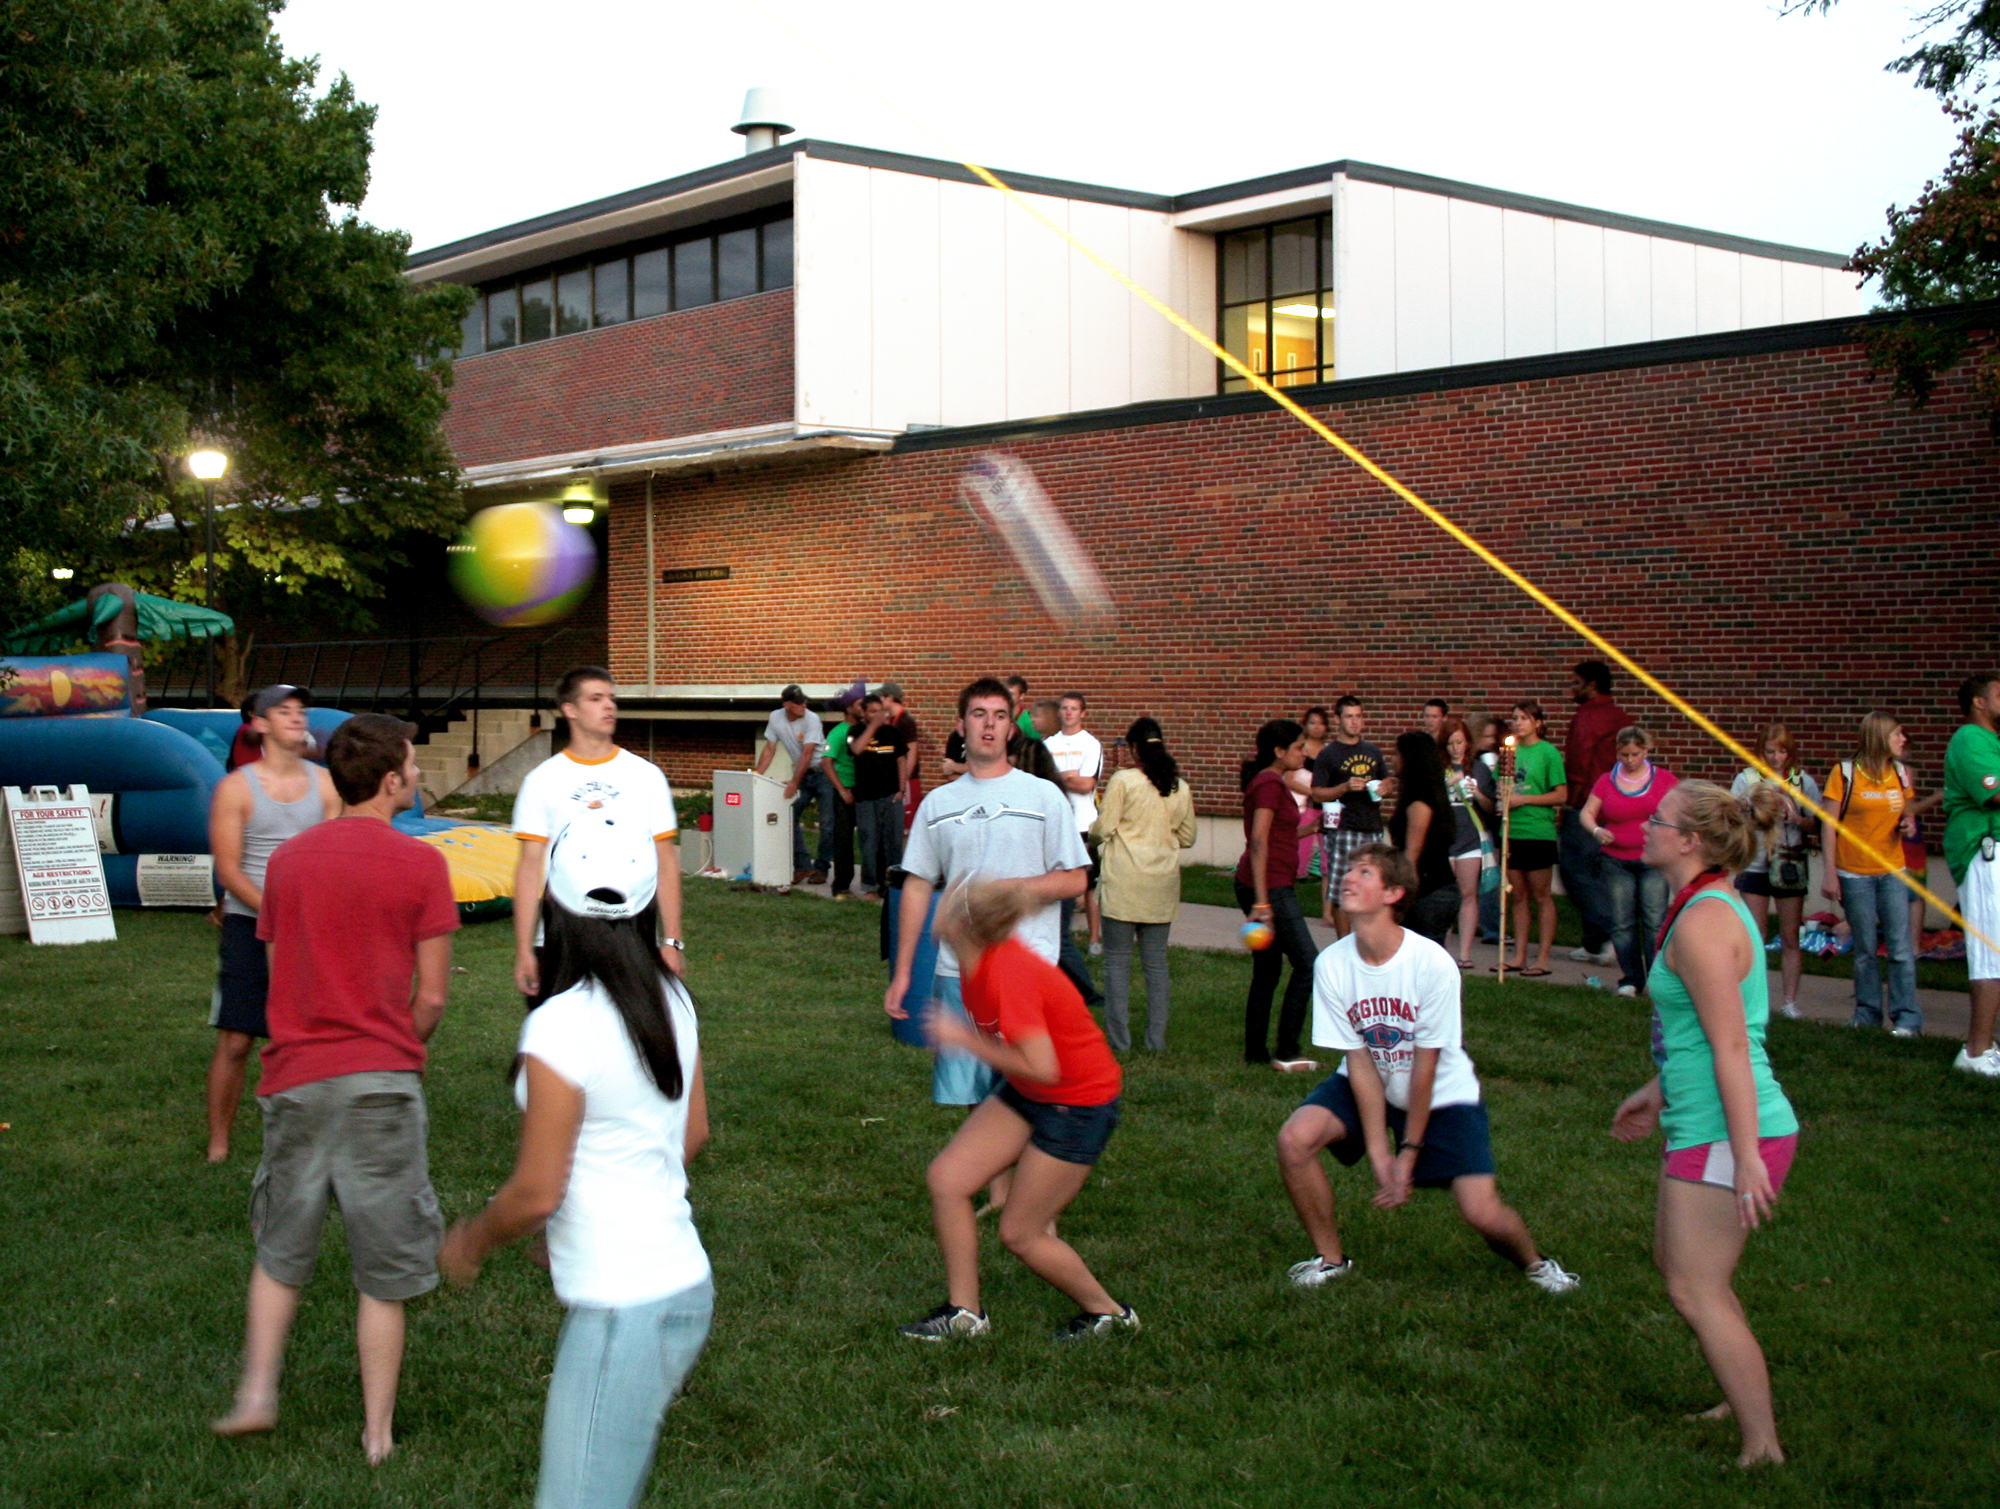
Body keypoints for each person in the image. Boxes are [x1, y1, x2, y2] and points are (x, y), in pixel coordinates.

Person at [439, 810, 711, 1508]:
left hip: (622, 1308)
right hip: (683, 1286)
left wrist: (469, 1240)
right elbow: (693, 1133)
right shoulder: (670, 996)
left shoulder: (561, 1024)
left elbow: (536, 1191)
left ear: (551, 903)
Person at [212, 714, 459, 1464]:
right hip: (380, 1078)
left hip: (294, 1076)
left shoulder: (286, 862)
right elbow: (435, 997)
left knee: (282, 1249)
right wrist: (393, 1050)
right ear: (391, 780)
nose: (416, 774)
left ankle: (257, 1393)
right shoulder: (421, 864)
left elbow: (285, 965)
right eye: (412, 765)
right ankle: (377, 1432)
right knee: (382, 1270)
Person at [1276, 844, 1579, 1294]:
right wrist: (1380, 1155)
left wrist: (1409, 1152)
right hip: (1372, 1078)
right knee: (1294, 1139)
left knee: (1481, 1212)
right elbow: (1359, 1062)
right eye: (1351, 870)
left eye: (1365, 873)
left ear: (1394, 893)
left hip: (1441, 1092)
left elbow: (1426, 1064)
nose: (1349, 878)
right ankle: (1330, 1259)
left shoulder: (1430, 963)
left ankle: (1537, 1265)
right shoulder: (1333, 964)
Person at [1611, 779, 1798, 1468]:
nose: (1646, 824)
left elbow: (1732, 1046)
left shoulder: (1705, 920)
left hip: (1729, 1128)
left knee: (1696, 1285)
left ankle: (1762, 1445)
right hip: (1702, 1117)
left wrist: (1746, 1154)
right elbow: (1706, 1033)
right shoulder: (1702, 904)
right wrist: (1656, 1092)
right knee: (1683, 1269)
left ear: (1689, 840)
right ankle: (1735, 1391)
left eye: (1657, 819)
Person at [898, 878, 1134, 1342]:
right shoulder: (973, 961)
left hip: (1077, 1103)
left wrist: (963, 1040)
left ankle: (1110, 1315)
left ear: (963, 923)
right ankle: (966, 1313)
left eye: (943, 904)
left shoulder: (1008, 973)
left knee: (1021, 1233)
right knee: (948, 1180)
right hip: (1031, 1091)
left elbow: (1044, 1068)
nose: (933, 909)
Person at [885, 677, 1090, 1109]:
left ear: (1012, 729)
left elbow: (1076, 880)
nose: (989, 726)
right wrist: (903, 971)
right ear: (961, 725)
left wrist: (1010, 890)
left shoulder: (1043, 796)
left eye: (1000, 716)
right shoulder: (938, 804)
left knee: (1027, 1098)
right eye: (979, 715)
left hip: (1027, 973)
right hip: (958, 974)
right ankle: (992, 1177)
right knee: (973, 1103)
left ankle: (1016, 1176)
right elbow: (918, 886)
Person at [204, 685, 339, 1162]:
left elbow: (333, 856)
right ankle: (218, 1141)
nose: (297, 719)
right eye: (284, 712)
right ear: (257, 724)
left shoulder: (325, 783)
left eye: (301, 711)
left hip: (310, 926)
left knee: (308, 1036)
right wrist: (275, 910)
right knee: (237, 1039)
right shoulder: (236, 787)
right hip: (248, 922)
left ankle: (307, 1137)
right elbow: (228, 870)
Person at [512, 667, 685, 994]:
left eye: (612, 698)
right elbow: (529, 868)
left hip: (631, 935)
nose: (609, 706)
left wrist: (672, 941)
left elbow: (666, 861)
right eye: (596, 698)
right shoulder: (542, 781)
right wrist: (524, 949)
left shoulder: (645, 776)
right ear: (570, 710)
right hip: (559, 939)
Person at [1090, 717, 1197, 1052]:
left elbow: (1101, 830)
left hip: (1123, 882)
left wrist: (1097, 834)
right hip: (1161, 885)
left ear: (1134, 747)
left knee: (1117, 963)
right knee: (1156, 965)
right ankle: (1156, 1042)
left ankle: (1119, 1043)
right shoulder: (1180, 786)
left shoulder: (1124, 780)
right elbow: (1189, 836)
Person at [1821, 712, 1919, 1035]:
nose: (1903, 740)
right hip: (1854, 874)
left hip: (1893, 871)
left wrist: (1908, 824)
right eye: (1897, 735)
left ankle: (1906, 1019)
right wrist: (1830, 874)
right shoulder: (1845, 774)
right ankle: (1867, 1014)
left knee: (1901, 949)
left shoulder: (1901, 773)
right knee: (1864, 949)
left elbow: (1907, 815)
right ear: (1879, 738)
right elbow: (1829, 825)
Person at [1238, 719, 1321, 1071]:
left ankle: (1255, 1052)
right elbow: (1258, 840)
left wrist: (1312, 829)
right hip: (1269, 887)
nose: (1304, 752)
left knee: (1268, 971)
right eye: (1300, 746)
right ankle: (1287, 1050)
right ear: (1279, 751)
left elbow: (1277, 834)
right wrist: (1261, 902)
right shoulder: (1270, 784)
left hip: (1268, 883)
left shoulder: (1271, 782)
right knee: (1308, 963)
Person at [1728, 725, 1819, 1021]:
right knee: (1755, 934)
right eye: (1770, 751)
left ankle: (1790, 1002)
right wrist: (1757, 813)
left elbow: (1818, 823)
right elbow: (1732, 816)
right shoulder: (1747, 778)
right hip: (1756, 863)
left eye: (1782, 751)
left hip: (1790, 863)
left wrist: (1795, 818)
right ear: (1760, 751)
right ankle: (1753, 999)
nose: (1776, 757)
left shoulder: (1803, 782)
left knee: (1790, 935)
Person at [1581, 727, 1680, 998]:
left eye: (1636, 754)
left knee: (1654, 919)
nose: (1630, 760)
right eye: (1624, 754)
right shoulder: (1606, 781)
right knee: (1622, 922)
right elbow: (1587, 813)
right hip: (1616, 859)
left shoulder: (1664, 780)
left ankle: (1657, 979)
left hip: (1653, 860)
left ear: (1647, 751)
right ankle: (1631, 979)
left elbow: (1683, 810)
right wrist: (1597, 831)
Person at [1945, 672, 2000, 1077]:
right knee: (1989, 954)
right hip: (1985, 854)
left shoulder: (1992, 742)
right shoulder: (1969, 738)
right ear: (1979, 702)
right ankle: (1975, 1051)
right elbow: (1993, 792)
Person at [1561, 661, 1627, 967]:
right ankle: (1594, 942)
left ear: (1592, 684)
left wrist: (1572, 803)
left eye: (1576, 683)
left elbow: (1579, 762)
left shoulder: (1587, 717)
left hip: (1588, 803)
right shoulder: (1620, 717)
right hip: (1615, 803)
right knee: (1599, 873)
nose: (1572, 689)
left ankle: (1608, 934)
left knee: (1576, 871)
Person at [1498, 700, 1567, 976]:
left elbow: (1561, 794)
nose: (1518, 722)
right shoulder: (1508, 753)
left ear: (1537, 722)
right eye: (1515, 717)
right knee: (1518, 895)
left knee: (1541, 895)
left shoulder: (1548, 753)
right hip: (1511, 831)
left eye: (1524, 718)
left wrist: (1524, 799)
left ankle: (1543, 957)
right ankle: (1519, 955)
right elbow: (1501, 786)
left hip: (1537, 831)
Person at [1308, 695, 1386, 939]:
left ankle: (1368, 940)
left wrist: (1386, 787)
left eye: (1359, 716)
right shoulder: (1328, 755)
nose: (1355, 722)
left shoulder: (1372, 751)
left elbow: (1387, 780)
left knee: (1373, 888)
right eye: (1349, 716)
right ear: (1338, 719)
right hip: (1344, 828)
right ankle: (1344, 944)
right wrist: (1344, 788)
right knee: (1345, 887)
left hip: (1373, 827)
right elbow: (1317, 793)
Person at [1044, 691, 1106, 960]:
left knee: (1090, 884)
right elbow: (1043, 781)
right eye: (1065, 708)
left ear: (1083, 713)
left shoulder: (1091, 744)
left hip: (1084, 822)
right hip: (1056, 822)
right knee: (1055, 880)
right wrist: (1069, 776)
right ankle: (1055, 937)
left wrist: (1061, 777)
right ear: (1060, 712)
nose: (1068, 713)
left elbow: (1087, 784)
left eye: (1074, 709)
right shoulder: (1048, 744)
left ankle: (1094, 939)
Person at [1384, 731, 1460, 946]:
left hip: (1430, 891)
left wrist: (1402, 898)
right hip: (1437, 889)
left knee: (1424, 961)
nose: (1393, 760)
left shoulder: (1420, 802)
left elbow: (1412, 855)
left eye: (1397, 755)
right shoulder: (1428, 796)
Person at [753, 683, 833, 884]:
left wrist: (794, 783)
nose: (803, 705)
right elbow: (770, 749)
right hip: (803, 773)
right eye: (798, 703)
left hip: (822, 773)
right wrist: (756, 775)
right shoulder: (775, 717)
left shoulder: (812, 719)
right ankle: (803, 866)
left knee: (827, 823)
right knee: (789, 815)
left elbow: (807, 753)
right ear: (787, 704)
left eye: (804, 701)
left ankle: (821, 870)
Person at [850, 692, 911, 902]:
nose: (878, 715)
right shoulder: (855, 731)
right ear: (864, 713)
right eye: (873, 712)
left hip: (891, 796)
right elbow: (857, 749)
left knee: (893, 843)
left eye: (881, 711)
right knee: (869, 843)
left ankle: (892, 887)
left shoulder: (894, 732)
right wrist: (873, 727)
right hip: (866, 798)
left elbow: (901, 760)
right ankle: (870, 886)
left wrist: (901, 789)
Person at [1439, 717, 1486, 969]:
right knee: (1446, 895)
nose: (1456, 747)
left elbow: (1490, 806)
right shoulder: (1438, 767)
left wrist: (1476, 792)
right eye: (1450, 743)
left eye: (1460, 742)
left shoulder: (1477, 768)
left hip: (1470, 838)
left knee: (1468, 895)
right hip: (1445, 839)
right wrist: (1450, 782)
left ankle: (1465, 954)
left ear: (1467, 742)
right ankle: (1442, 952)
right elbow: (1431, 797)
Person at [822, 688, 865, 898]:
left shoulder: (866, 730)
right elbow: (826, 762)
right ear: (849, 708)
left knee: (869, 838)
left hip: (866, 791)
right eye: (860, 704)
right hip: (845, 791)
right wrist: (842, 790)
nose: (864, 708)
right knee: (844, 839)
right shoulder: (838, 732)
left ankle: (873, 883)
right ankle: (841, 885)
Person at [879, 680, 923, 832]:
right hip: (896, 780)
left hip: (908, 781)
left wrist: (904, 783)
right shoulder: (890, 721)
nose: (880, 702)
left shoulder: (906, 721)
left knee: (907, 827)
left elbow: (912, 753)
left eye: (882, 698)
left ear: (890, 698)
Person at [1294, 707, 1330, 889]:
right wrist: (1312, 792)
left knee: (1327, 845)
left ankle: (1326, 873)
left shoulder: (1328, 751)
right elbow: (1289, 780)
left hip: (1326, 806)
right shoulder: (1301, 750)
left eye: (1321, 723)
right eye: (1312, 723)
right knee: (1302, 841)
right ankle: (1298, 873)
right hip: (1304, 804)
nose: (1316, 727)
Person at [1004, 675, 1036, 741]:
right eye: (1005, 693)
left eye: (1011, 694)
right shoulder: (998, 716)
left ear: (1022, 696)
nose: (1007, 697)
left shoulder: (1029, 721)